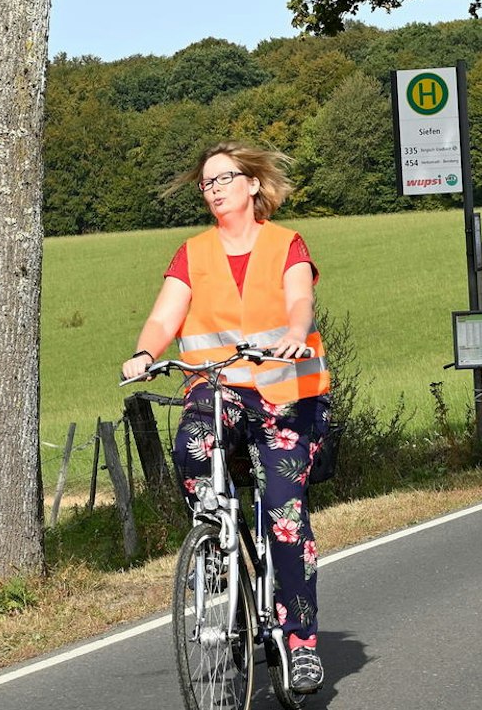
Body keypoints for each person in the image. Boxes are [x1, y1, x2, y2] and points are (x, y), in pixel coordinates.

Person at [122, 142, 331, 694]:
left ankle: (301, 644)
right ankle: (216, 537)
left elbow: (299, 300)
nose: (214, 188)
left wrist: (293, 335)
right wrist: (145, 352)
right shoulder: (192, 253)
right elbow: (165, 314)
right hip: (219, 389)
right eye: (206, 183)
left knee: (284, 516)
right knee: (191, 444)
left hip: (287, 393)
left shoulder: (287, 243)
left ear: (253, 186)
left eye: (224, 178)